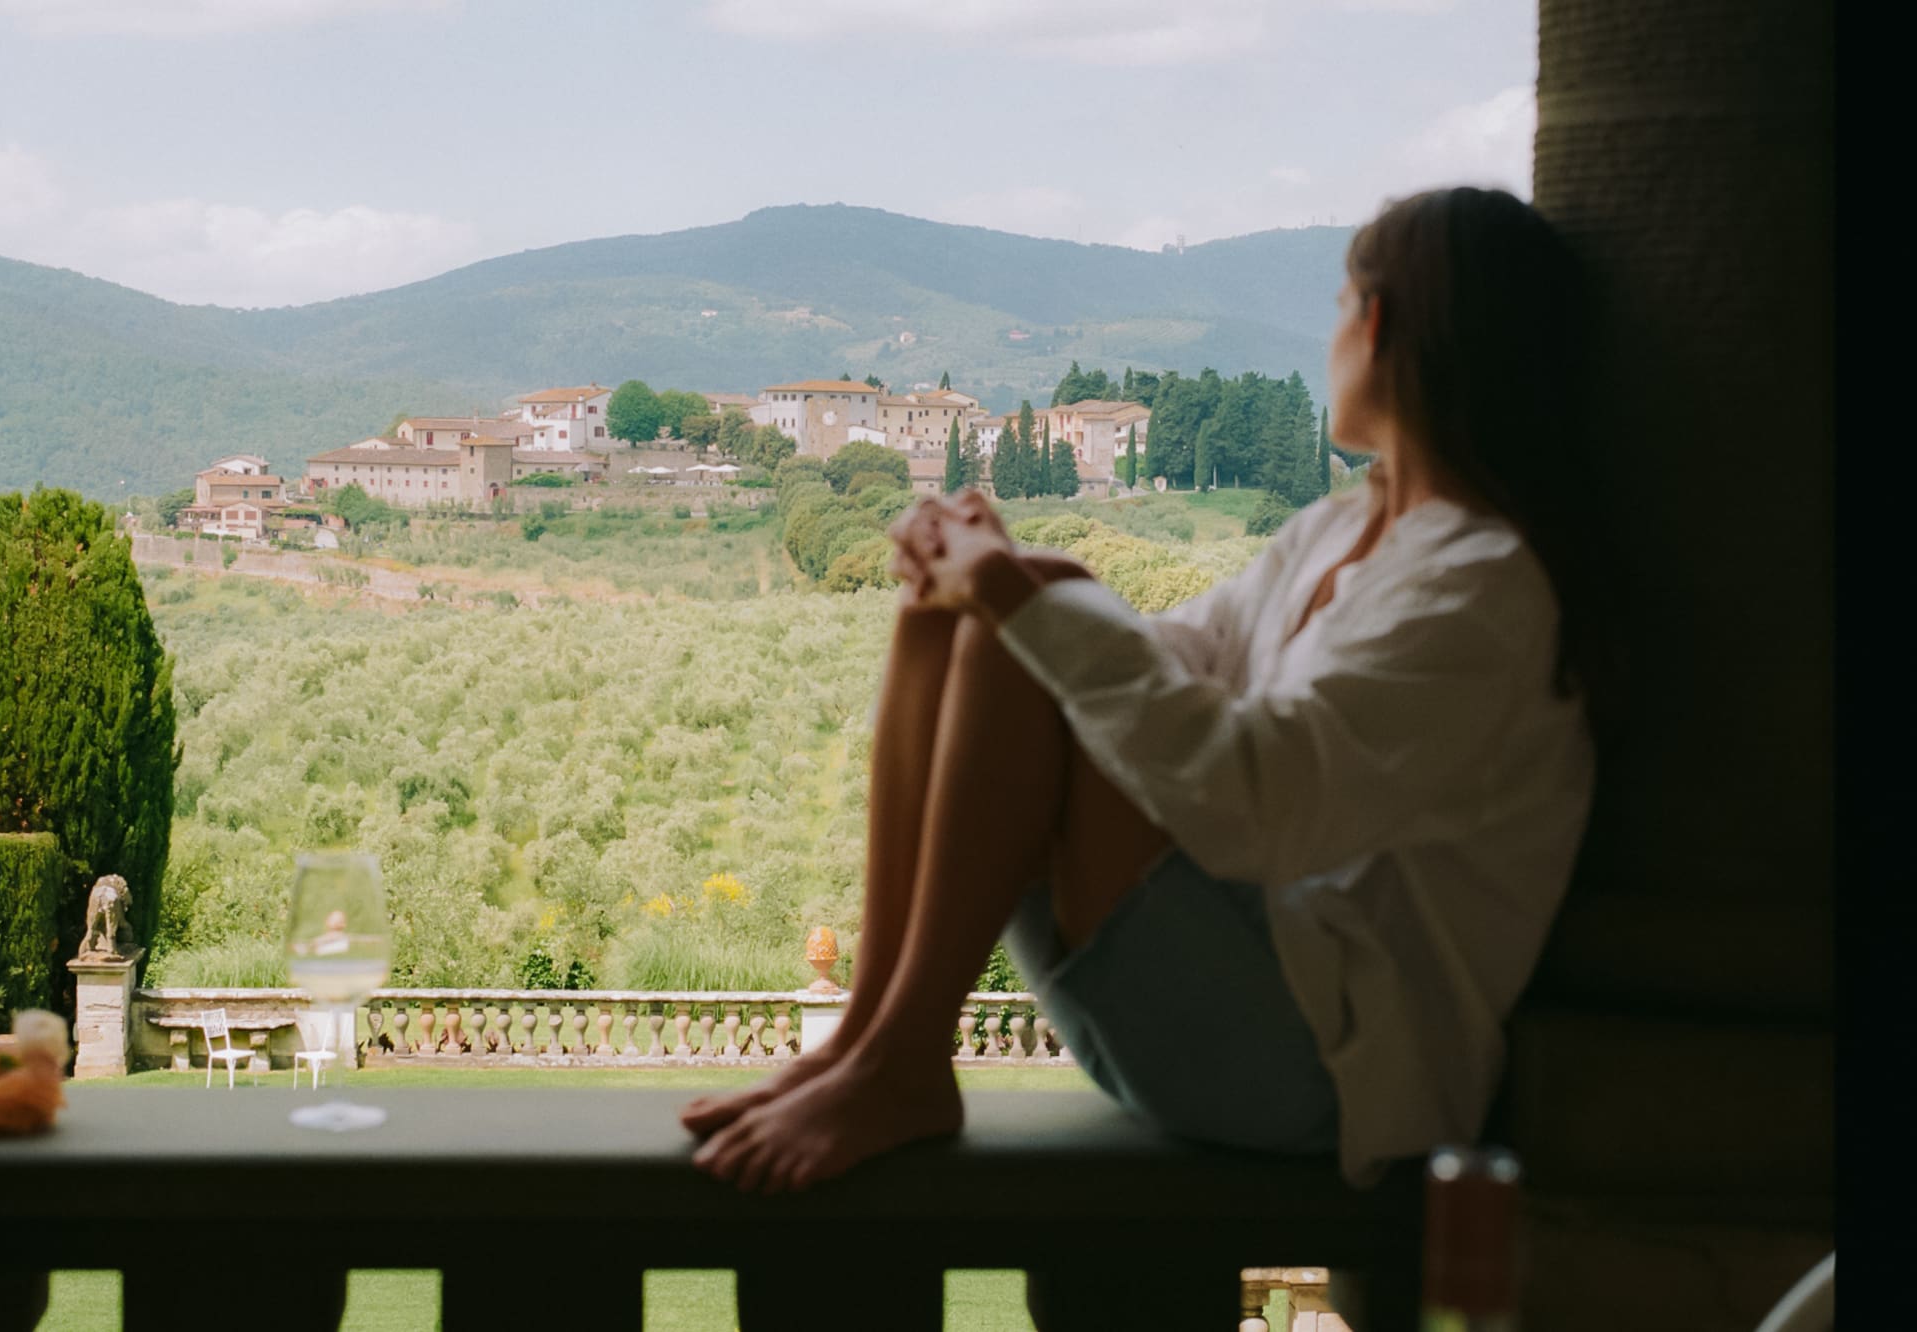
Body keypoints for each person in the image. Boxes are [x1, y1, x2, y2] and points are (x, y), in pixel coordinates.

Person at [681, 186, 1617, 1198]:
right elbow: (1171, 659)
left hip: (1331, 1069)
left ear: (1378, 320)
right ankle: (866, 1038)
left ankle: (899, 1058)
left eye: (1344, 301)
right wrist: (999, 575)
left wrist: (1017, 589)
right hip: (1223, 986)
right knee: (970, 611)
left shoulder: (1480, 586)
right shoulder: (1344, 530)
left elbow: (1257, 807)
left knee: (1017, 621)